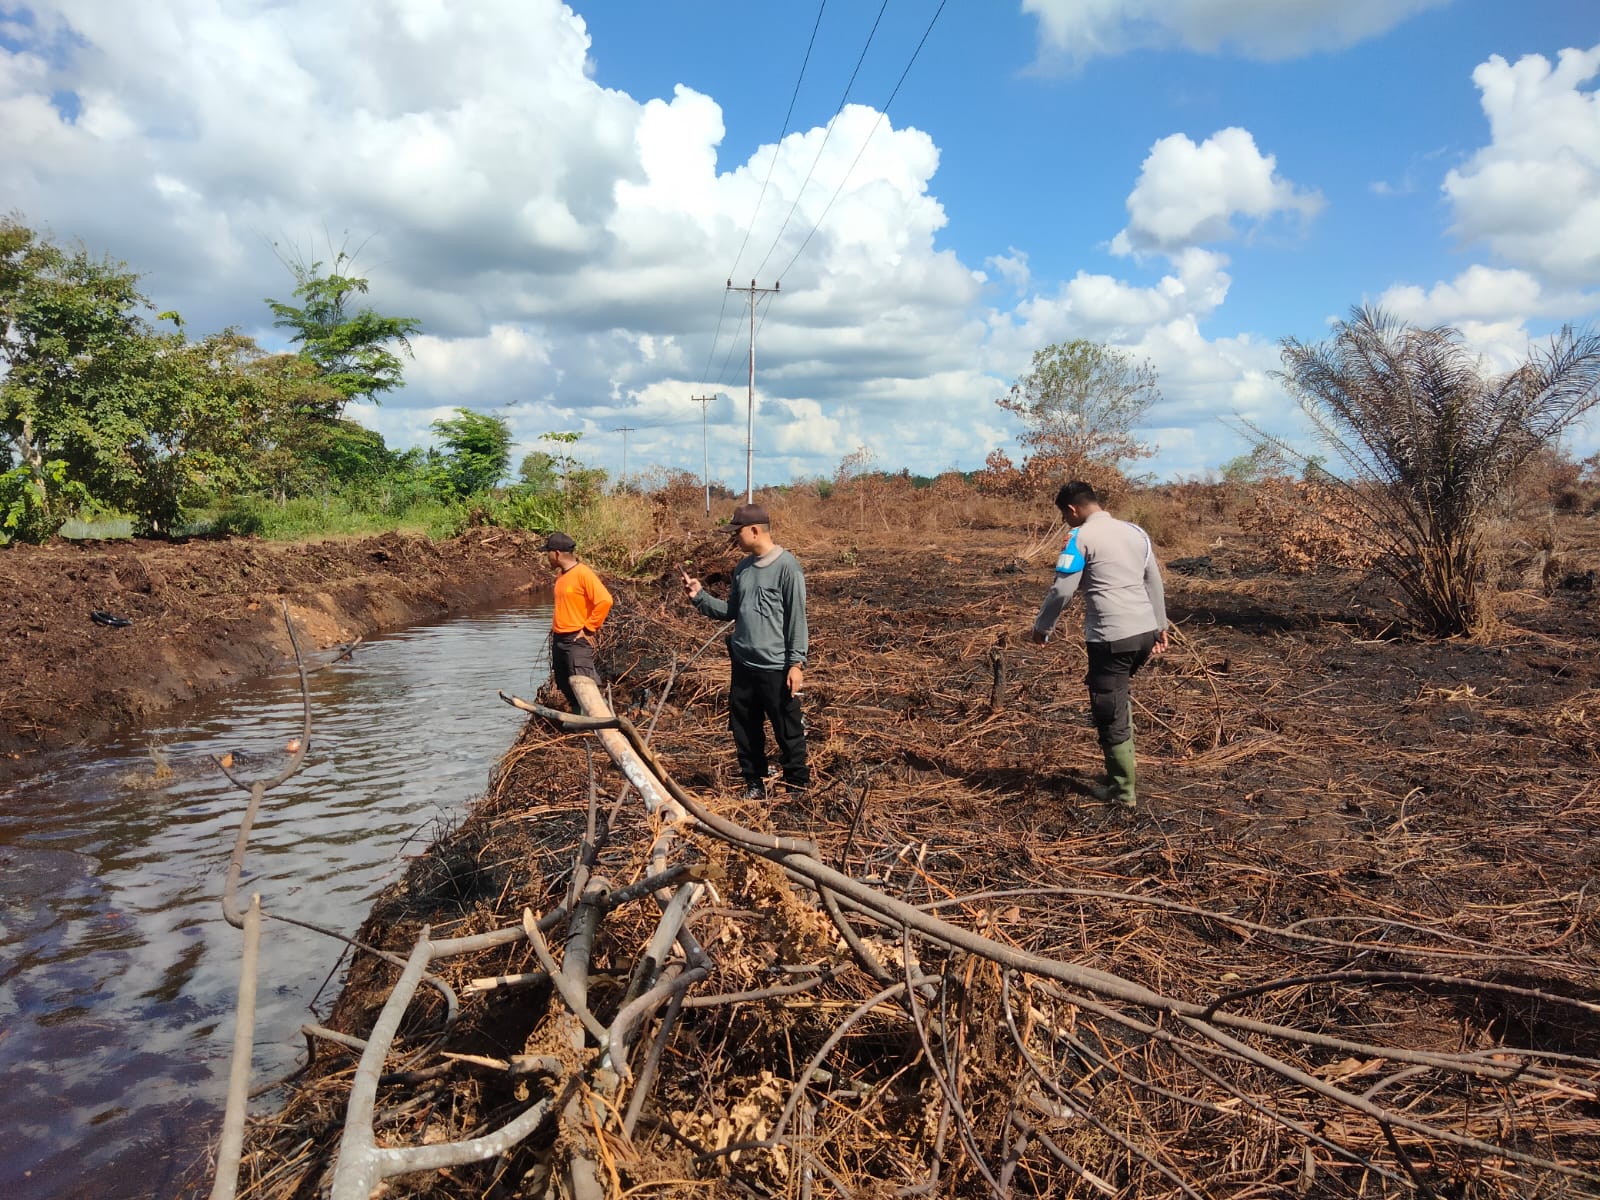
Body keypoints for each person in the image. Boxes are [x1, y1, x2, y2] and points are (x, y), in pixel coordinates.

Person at [1028, 481, 1169, 808]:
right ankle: (1122, 773)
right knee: (1118, 696)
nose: (1067, 521)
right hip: (1144, 634)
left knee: (1108, 709)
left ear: (1072, 510)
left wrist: (1042, 627)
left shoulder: (1080, 538)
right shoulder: (1137, 532)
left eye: (1065, 515)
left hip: (1111, 636)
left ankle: (1122, 793)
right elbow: (1154, 580)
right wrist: (1160, 626)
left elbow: (1062, 590)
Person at [681, 503, 810, 799]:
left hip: (776, 666)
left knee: (787, 728)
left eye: (737, 532)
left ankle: (797, 787)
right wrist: (699, 597)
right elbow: (731, 611)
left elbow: (796, 617)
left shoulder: (787, 567)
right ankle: (755, 784)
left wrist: (796, 664)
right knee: (745, 728)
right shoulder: (742, 568)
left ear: (754, 531)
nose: (734, 539)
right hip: (743, 664)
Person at [544, 531, 613, 712]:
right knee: (564, 681)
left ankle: (600, 719)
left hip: (576, 639)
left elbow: (605, 600)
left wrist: (589, 629)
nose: (547, 557)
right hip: (560, 639)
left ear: (557, 553)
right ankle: (578, 716)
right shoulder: (561, 576)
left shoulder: (583, 574)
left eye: (548, 553)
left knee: (584, 683)